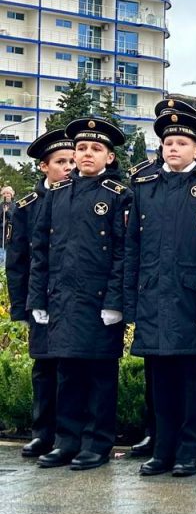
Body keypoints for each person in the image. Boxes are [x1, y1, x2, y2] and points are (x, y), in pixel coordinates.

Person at [123, 110, 196, 478]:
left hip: (190, 298)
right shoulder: (144, 186)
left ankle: (187, 451)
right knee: (159, 382)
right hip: (152, 295)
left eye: (182, 143)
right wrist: (129, 300)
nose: (173, 149)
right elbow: (131, 247)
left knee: (187, 382)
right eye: (168, 143)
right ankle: (162, 449)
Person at [28, 118, 132, 471]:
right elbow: (40, 248)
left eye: (96, 149)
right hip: (63, 299)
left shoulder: (119, 196)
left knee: (100, 377)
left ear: (110, 157)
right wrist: (38, 300)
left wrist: (116, 302)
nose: (87, 155)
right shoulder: (56, 194)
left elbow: (123, 252)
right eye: (82, 149)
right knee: (67, 374)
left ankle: (97, 443)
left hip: (100, 301)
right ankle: (66, 440)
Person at [4, 130, 75, 458]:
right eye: (61, 162)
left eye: (73, 160)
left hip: (71, 298)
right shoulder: (27, 206)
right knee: (44, 369)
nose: (69, 167)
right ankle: (42, 433)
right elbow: (17, 262)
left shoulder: (77, 197)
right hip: (41, 300)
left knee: (71, 371)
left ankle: (67, 437)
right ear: (44, 167)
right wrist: (21, 306)